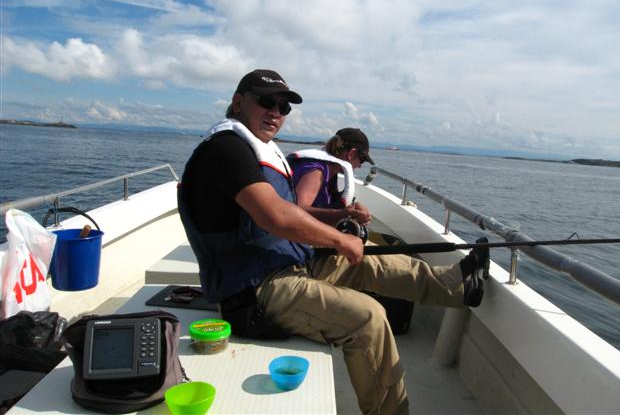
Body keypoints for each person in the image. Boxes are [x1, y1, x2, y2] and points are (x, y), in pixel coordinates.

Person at [178, 69, 489, 415]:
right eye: (266, 102)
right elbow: (275, 216)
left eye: (283, 108)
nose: (275, 113)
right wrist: (340, 239)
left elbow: (288, 213)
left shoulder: (252, 148)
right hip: (254, 290)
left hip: (291, 264)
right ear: (238, 103)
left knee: (373, 260)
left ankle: (458, 287)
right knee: (368, 318)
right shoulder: (225, 149)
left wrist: (340, 233)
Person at [287, 128, 374, 227]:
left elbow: (334, 204)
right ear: (351, 154)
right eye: (362, 160)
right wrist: (341, 214)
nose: (360, 166)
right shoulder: (316, 171)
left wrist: (353, 207)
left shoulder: (332, 172)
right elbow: (297, 210)